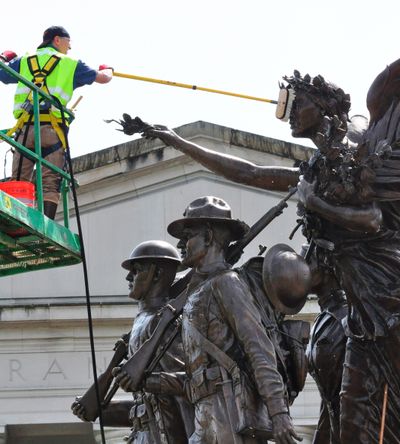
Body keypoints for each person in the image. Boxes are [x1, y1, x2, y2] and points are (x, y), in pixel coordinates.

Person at [142, 61, 400, 443]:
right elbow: (248, 172)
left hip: (389, 297)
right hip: (363, 316)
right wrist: (177, 141)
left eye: (296, 102)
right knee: (353, 421)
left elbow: (372, 220)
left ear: (326, 107)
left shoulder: (358, 156)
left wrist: (316, 203)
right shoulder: (313, 171)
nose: (288, 111)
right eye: (285, 103)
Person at [116, 196, 302, 444]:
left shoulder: (227, 283)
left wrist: (279, 414)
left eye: (188, 235)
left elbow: (258, 349)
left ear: (209, 237)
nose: (181, 243)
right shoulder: (196, 293)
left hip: (229, 417)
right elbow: (200, 376)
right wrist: (154, 382)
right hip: (206, 422)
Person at [72, 240, 193, 444]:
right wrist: (101, 410)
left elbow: (188, 391)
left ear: (157, 274)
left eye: (136, 270)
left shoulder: (165, 322)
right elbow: (146, 404)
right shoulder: (144, 320)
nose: (129, 276)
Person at [0, 26, 113, 219]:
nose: (70, 48)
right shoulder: (70, 63)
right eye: (68, 43)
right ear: (57, 40)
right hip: (51, 131)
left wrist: (4, 57)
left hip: (25, 130)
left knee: (19, 179)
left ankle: (17, 222)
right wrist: (108, 69)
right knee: (50, 181)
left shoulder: (25, 60)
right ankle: (45, 224)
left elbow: (2, 74)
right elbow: (103, 79)